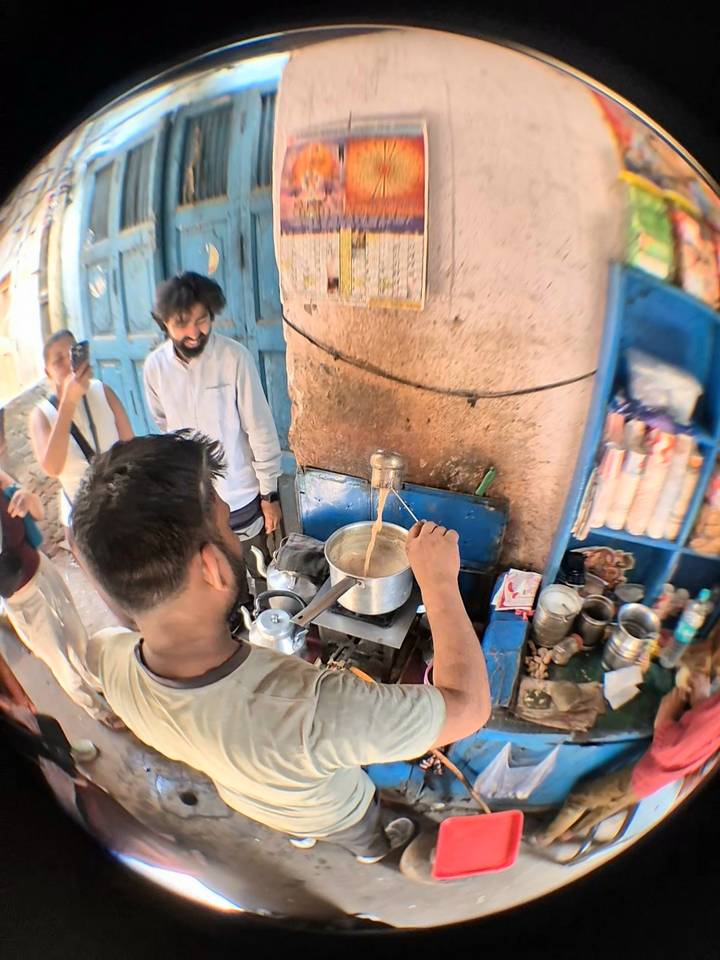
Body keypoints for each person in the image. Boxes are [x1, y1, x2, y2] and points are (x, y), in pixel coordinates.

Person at [70, 431, 492, 863]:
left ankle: (301, 836)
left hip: (248, 799)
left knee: (289, 816)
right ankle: (371, 853)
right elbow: (469, 707)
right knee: (363, 831)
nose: (235, 536)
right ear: (213, 568)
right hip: (333, 810)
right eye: (226, 523)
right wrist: (439, 580)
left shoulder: (108, 658)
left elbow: (120, 618)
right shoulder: (312, 710)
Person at [143, 273, 283, 598]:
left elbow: (259, 428)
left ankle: (266, 626)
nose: (194, 332)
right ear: (164, 324)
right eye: (182, 324)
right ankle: (233, 629)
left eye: (202, 320)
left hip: (241, 495)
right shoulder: (154, 368)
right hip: (193, 501)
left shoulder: (234, 358)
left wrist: (269, 495)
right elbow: (163, 426)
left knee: (260, 570)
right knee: (215, 577)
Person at [531, 670, 720, 846]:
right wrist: (701, 701)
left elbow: (670, 750)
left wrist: (666, 714)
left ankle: (545, 837)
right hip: (653, 784)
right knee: (608, 806)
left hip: (643, 776)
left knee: (580, 797)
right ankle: (571, 832)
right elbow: (704, 734)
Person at [0, 468, 118, 727]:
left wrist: (27, 497)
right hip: (21, 598)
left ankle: (98, 685)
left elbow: (38, 513)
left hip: (42, 569)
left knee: (76, 634)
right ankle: (97, 710)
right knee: (59, 659)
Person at [29, 329, 134, 532]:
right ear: (48, 372)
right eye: (59, 361)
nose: (68, 364)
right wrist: (68, 402)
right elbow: (52, 467)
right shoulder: (41, 415)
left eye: (72, 354)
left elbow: (130, 444)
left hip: (124, 504)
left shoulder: (102, 390)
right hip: (85, 523)